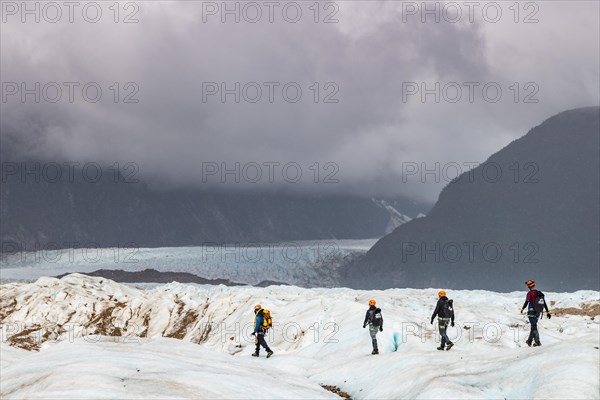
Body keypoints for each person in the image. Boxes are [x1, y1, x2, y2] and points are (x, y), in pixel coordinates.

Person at [520, 280, 551, 347]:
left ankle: (537, 342)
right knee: (533, 326)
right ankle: (529, 341)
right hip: (538, 312)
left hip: (531, 311)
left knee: (534, 327)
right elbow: (544, 303)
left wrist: (522, 309)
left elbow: (526, 302)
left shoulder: (530, 293)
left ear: (529, 286)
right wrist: (547, 312)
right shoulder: (539, 293)